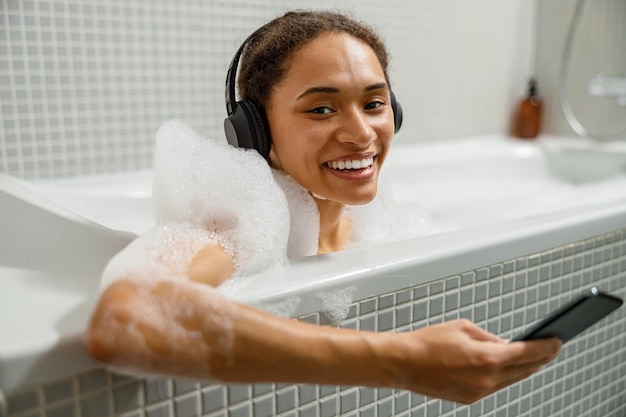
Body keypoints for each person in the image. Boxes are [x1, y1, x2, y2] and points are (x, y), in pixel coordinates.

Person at [86, 10, 561, 404]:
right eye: (321, 109)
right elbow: (125, 318)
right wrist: (402, 360)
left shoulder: (381, 216)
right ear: (256, 132)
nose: (361, 134)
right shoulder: (241, 218)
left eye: (374, 104)